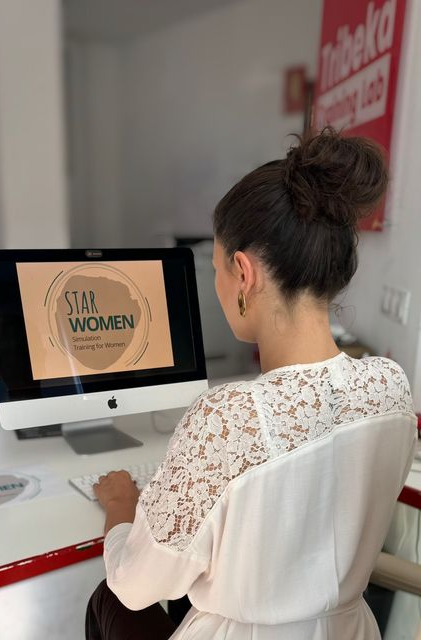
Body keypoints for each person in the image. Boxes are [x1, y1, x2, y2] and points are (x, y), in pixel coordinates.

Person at [85, 128, 417, 639]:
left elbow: (134, 586)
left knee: (108, 598)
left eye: (218, 268)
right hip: (352, 630)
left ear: (243, 273)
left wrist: (121, 508)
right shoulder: (391, 387)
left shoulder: (228, 417)